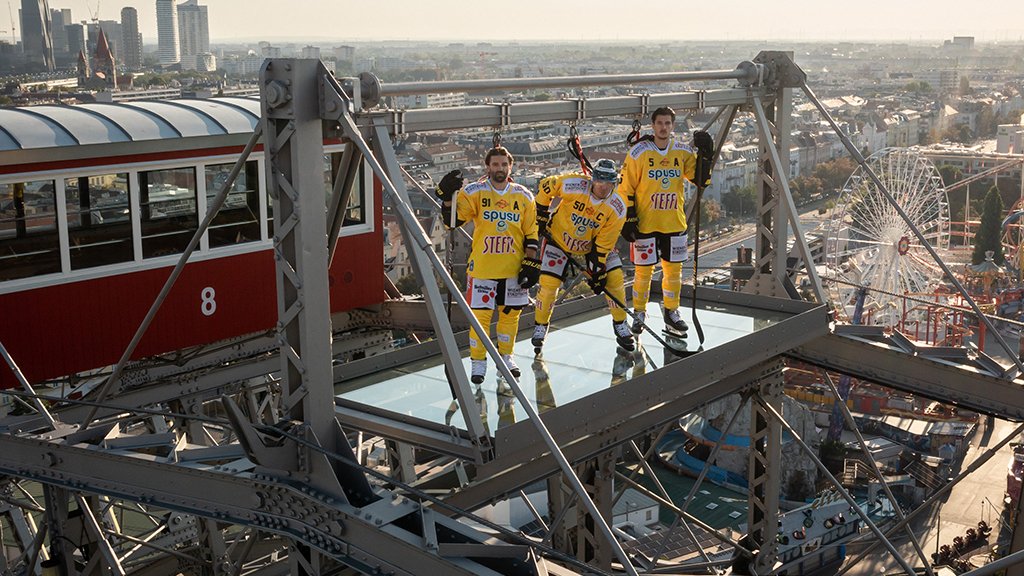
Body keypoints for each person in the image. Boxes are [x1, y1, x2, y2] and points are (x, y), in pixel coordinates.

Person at [435, 147, 540, 384]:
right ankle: (478, 362)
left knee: (510, 318)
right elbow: (453, 221)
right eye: (495, 165)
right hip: (483, 268)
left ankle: (506, 357)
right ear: (488, 167)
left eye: (504, 164)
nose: (500, 169)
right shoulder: (475, 191)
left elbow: (531, 230)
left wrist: (531, 262)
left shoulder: (523, 195)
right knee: (480, 319)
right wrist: (446, 196)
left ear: (511, 167)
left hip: (513, 268)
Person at [618, 107, 714, 336]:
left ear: (673, 125)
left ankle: (672, 311)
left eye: (668, 123)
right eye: (660, 123)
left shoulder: (682, 151)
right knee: (643, 272)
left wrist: (707, 155)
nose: (663, 127)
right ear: (653, 125)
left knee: (673, 272)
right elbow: (625, 188)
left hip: (673, 223)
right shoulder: (638, 152)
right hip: (645, 224)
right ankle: (639, 312)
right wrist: (629, 218)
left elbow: (700, 180)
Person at [531, 158, 634, 353]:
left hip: (592, 245)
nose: (603, 187)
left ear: (615, 183)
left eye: (609, 183)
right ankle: (541, 325)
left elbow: (603, 244)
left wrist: (596, 271)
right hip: (559, 240)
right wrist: (541, 212)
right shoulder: (575, 184)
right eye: (599, 182)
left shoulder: (618, 207)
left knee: (614, 280)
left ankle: (620, 324)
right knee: (549, 284)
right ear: (592, 179)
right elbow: (546, 186)